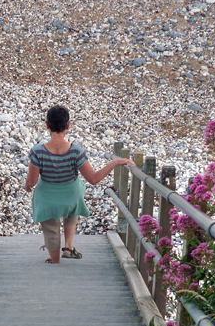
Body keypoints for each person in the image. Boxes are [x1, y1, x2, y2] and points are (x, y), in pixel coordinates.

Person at [24, 105, 135, 264]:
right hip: (71, 197)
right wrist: (115, 162)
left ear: (47, 125)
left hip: (47, 199)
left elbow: (32, 182)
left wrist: (27, 185)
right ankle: (68, 247)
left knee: (51, 230)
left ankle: (55, 261)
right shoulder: (76, 150)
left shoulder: (37, 151)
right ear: (68, 125)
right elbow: (93, 179)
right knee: (75, 194)